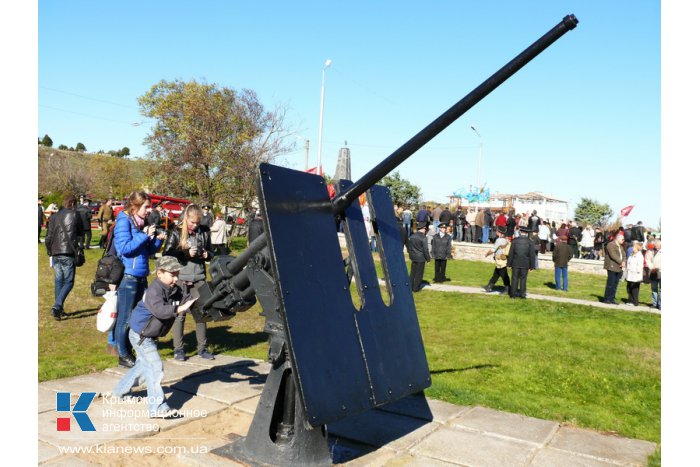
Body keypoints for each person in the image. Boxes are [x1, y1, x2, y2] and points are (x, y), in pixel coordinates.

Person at [111, 256, 197, 418]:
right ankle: (157, 407)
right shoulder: (154, 291)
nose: (176, 278)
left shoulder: (173, 287)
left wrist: (195, 297)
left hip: (149, 335)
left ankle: (119, 392)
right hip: (140, 335)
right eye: (172, 274)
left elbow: (185, 299)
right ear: (159, 274)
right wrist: (180, 308)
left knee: (143, 369)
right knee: (155, 368)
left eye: (177, 274)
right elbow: (160, 311)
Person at [113, 192, 166, 368]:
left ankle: (133, 347)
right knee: (126, 317)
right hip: (129, 276)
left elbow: (146, 250)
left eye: (150, 207)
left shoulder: (141, 222)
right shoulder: (124, 221)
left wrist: (157, 241)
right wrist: (144, 235)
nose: (149, 210)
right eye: (146, 207)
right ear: (135, 207)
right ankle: (123, 353)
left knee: (141, 315)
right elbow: (124, 248)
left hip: (141, 274)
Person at [164, 204, 215, 361]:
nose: (194, 225)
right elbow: (167, 253)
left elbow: (212, 253)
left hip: (199, 278)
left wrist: (207, 254)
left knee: (201, 314)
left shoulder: (204, 232)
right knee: (180, 314)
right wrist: (185, 253)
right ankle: (178, 349)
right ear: (186, 218)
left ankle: (202, 348)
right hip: (181, 279)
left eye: (197, 223)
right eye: (192, 222)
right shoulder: (176, 232)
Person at [45, 194, 83, 320]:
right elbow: (81, 232)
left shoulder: (54, 217)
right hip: (68, 253)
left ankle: (58, 310)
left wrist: (50, 251)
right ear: (72, 204)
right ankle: (57, 306)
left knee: (59, 281)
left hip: (56, 253)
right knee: (69, 282)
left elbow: (48, 237)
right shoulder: (75, 215)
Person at [507, 226, 536, 299]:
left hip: (515, 263)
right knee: (523, 279)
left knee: (514, 278)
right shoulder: (530, 242)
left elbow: (511, 253)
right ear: (526, 233)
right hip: (525, 263)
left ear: (520, 232)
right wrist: (532, 266)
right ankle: (522, 294)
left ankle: (513, 294)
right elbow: (532, 255)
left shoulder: (515, 240)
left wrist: (509, 263)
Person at [484, 226, 510, 293]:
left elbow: (493, 250)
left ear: (499, 232)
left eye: (497, 231)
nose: (496, 232)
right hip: (503, 259)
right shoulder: (505, 240)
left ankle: (507, 289)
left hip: (500, 260)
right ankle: (489, 286)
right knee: (496, 273)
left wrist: (487, 254)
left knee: (504, 275)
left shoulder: (499, 240)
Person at [603, 232, 626, 304]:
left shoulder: (621, 246)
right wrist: (621, 262)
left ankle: (612, 298)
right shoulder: (611, 245)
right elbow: (613, 255)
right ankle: (607, 298)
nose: (623, 240)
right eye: (622, 239)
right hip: (612, 267)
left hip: (619, 268)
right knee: (610, 283)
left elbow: (624, 255)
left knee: (615, 284)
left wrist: (624, 262)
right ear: (618, 238)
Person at [408, 222, 431, 292]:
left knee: (412, 273)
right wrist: (428, 259)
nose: (425, 230)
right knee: (419, 273)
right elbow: (425, 250)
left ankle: (410, 287)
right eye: (425, 229)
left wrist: (411, 255)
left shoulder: (412, 236)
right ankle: (416, 288)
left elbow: (409, 248)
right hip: (421, 258)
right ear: (423, 229)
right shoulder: (423, 237)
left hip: (413, 257)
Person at [625, 241, 644, 306]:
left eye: (634, 247)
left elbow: (640, 266)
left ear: (637, 248)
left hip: (635, 275)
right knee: (629, 287)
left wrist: (635, 272)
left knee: (635, 289)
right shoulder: (632, 254)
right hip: (630, 274)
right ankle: (630, 300)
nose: (632, 248)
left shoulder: (639, 256)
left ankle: (635, 301)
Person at [649, 239, 661, 310]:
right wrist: (651, 267)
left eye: (656, 244)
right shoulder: (651, 251)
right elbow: (648, 260)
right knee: (654, 289)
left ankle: (660, 304)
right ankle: (654, 303)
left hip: (660, 272)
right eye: (655, 244)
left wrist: (657, 268)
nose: (655, 245)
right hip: (653, 272)